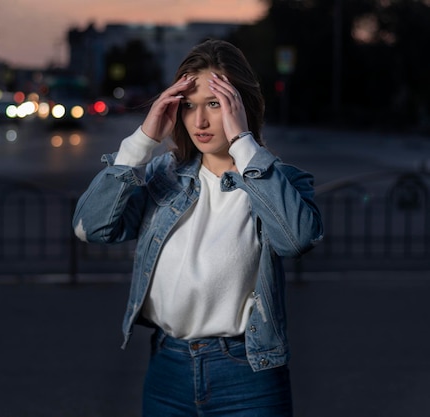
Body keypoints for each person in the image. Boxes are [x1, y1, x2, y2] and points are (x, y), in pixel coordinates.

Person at [72, 39, 323, 416]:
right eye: (188, 106)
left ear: (241, 106)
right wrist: (142, 143)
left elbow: (297, 239)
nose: (199, 121)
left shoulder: (278, 182)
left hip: (247, 375)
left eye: (215, 104)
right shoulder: (163, 176)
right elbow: (89, 228)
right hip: (167, 369)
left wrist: (243, 144)